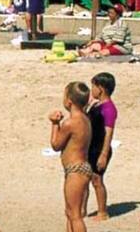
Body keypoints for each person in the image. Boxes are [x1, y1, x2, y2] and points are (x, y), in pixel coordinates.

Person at [50, 81, 94, 232]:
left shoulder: (70, 123)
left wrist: (55, 123)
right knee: (70, 212)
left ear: (69, 101)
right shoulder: (85, 119)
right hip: (82, 168)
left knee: (75, 215)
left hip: (75, 170)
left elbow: (56, 145)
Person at [86, 73, 119, 222]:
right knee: (87, 179)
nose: (91, 89)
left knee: (97, 179)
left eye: (93, 86)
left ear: (101, 88)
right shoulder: (96, 105)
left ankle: (102, 212)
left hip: (100, 148)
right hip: (91, 146)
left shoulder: (109, 109)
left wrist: (104, 154)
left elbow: (109, 132)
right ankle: (82, 210)